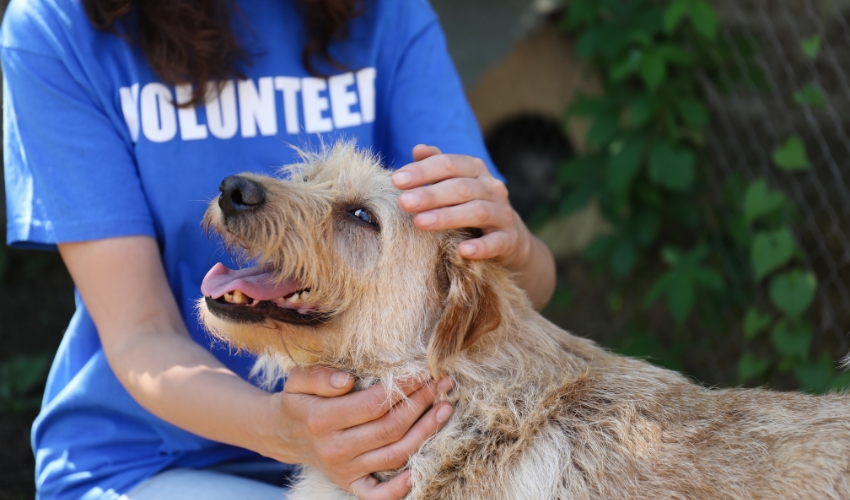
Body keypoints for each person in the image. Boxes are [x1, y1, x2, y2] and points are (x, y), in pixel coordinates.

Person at [1, 0, 556, 498]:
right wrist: (287, 431)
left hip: (396, 451)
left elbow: (501, 295)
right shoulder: (57, 26)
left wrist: (518, 246)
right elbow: (141, 331)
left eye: (356, 216)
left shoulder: (385, 11)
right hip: (151, 461)